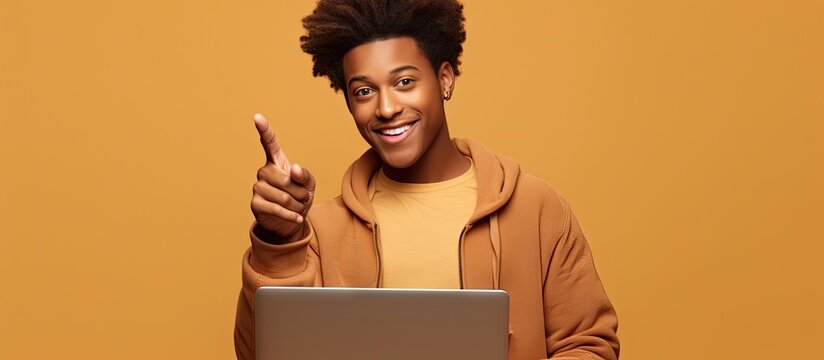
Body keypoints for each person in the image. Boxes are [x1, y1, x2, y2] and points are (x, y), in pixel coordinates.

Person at [234, 0, 619, 359]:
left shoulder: (535, 209)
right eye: (364, 91)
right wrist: (278, 241)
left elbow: (588, 344)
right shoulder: (320, 232)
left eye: (404, 82)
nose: (386, 108)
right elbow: (267, 353)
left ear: (445, 79)